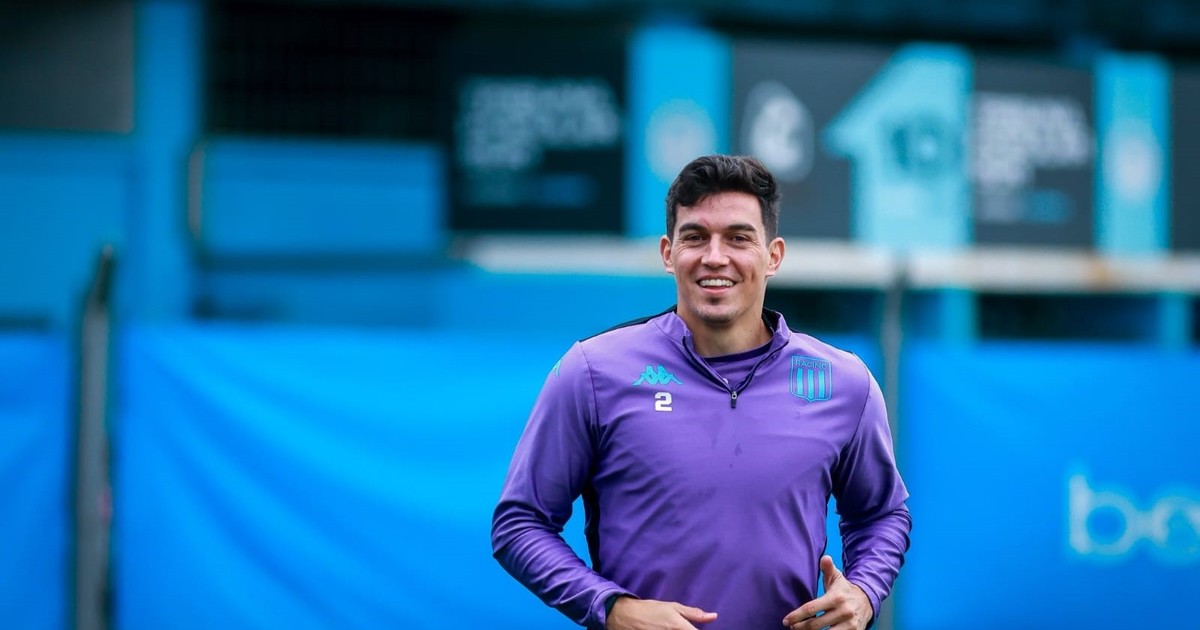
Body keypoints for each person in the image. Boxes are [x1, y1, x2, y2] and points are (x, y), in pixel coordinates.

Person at [491, 154, 911, 630]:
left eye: (738, 238)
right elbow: (519, 523)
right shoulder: (594, 371)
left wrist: (863, 593)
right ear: (668, 252)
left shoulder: (843, 383)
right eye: (695, 237)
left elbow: (882, 515)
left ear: (773, 255)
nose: (715, 257)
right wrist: (612, 608)